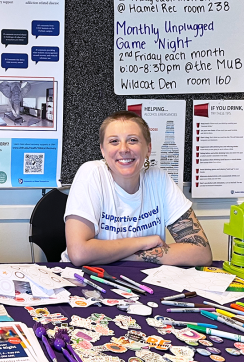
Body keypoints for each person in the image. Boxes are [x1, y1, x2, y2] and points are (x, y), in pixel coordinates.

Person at [63, 111, 212, 267]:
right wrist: (144, 242)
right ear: (102, 150)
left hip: (144, 279)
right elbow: (79, 253)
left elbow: (201, 252)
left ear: (148, 149)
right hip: (86, 278)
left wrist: (123, 255)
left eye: (132, 140)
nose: (123, 149)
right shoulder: (91, 174)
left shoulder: (159, 179)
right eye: (114, 141)